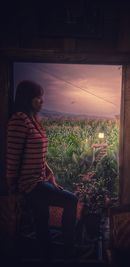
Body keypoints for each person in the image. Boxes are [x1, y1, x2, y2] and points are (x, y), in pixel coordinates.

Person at [6, 80, 78, 260]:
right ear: (27, 99)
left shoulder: (34, 121)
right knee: (71, 200)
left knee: (41, 219)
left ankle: (47, 257)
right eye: (38, 98)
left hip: (40, 180)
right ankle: (69, 250)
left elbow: (39, 154)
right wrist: (12, 188)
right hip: (29, 184)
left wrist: (49, 173)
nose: (42, 101)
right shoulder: (19, 120)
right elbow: (13, 156)